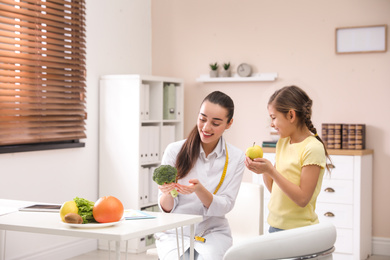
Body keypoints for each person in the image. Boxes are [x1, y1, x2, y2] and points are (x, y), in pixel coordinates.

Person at [155, 91, 245, 260]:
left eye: (216, 123)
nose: (206, 127)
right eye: (202, 119)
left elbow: (225, 205)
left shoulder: (236, 158)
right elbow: (166, 208)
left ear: (229, 123)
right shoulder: (174, 151)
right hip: (175, 232)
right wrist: (167, 192)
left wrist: (200, 190)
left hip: (212, 232)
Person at [245, 85, 331, 233]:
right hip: (275, 226)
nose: (271, 124)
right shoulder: (283, 142)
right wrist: (264, 170)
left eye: (273, 117)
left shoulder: (313, 148)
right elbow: (275, 190)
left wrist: (271, 171)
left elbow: (302, 199)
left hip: (300, 231)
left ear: (291, 115)